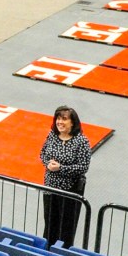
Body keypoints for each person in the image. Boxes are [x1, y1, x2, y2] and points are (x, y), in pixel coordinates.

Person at [39, 105, 92, 248]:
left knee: (66, 228)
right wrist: (47, 164)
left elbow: (83, 167)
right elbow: (42, 153)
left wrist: (60, 168)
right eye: (58, 118)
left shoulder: (81, 141)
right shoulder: (52, 135)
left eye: (64, 119)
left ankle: (63, 255)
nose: (60, 122)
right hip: (50, 189)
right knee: (50, 224)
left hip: (70, 192)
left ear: (73, 122)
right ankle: (47, 251)